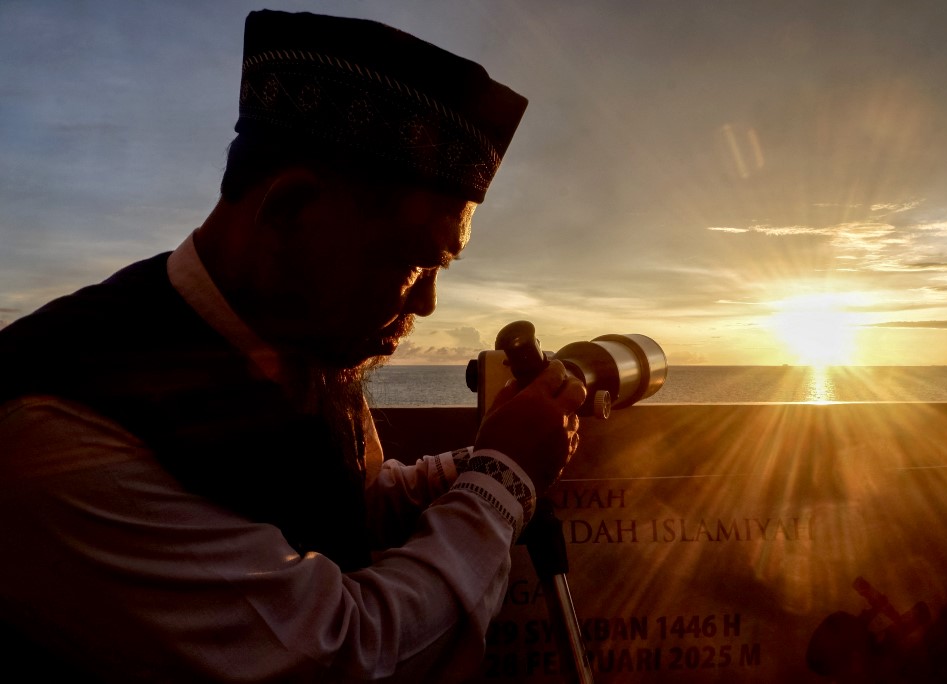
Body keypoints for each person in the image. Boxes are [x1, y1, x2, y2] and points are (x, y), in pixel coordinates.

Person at [0, 9, 586, 683]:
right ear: (288, 211)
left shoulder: (303, 343)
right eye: (415, 263)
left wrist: (489, 454)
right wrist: (502, 480)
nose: (426, 304)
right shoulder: (54, 431)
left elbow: (347, 508)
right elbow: (347, 656)